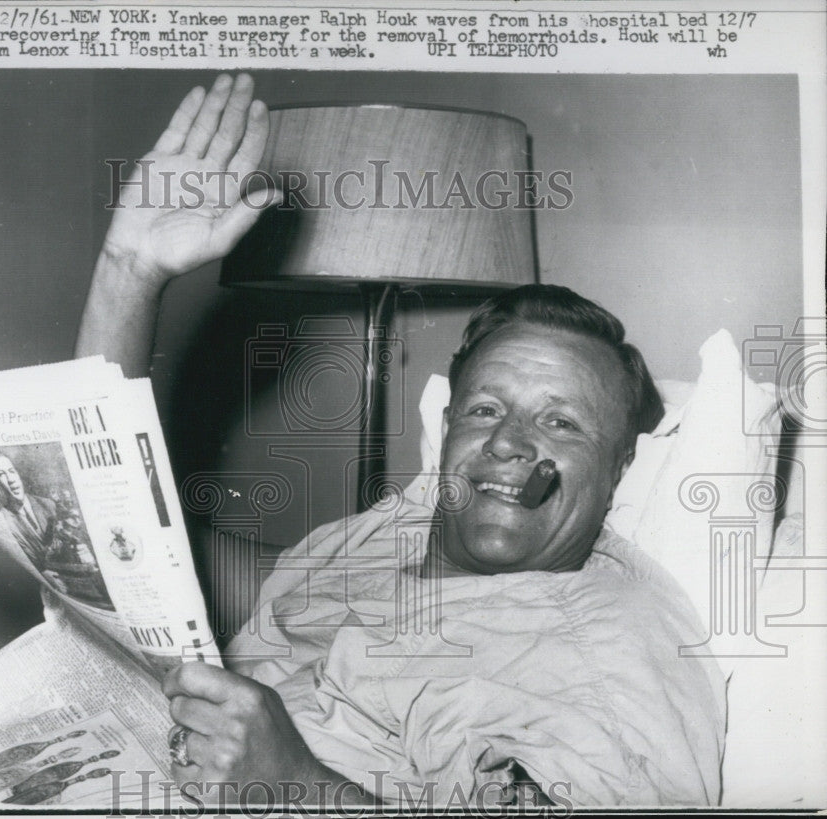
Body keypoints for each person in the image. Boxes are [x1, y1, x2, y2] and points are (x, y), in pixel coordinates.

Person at [75, 74, 725, 808]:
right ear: (446, 430)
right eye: (485, 409)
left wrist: (297, 786)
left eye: (560, 421)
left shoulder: (612, 650)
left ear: (620, 468)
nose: (510, 442)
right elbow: (135, 559)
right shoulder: (384, 537)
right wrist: (129, 274)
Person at [0, 450, 57, 571]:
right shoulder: (2, 520)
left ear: (18, 474)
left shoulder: (48, 504)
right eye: (1, 474)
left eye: (11, 471)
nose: (10, 479)